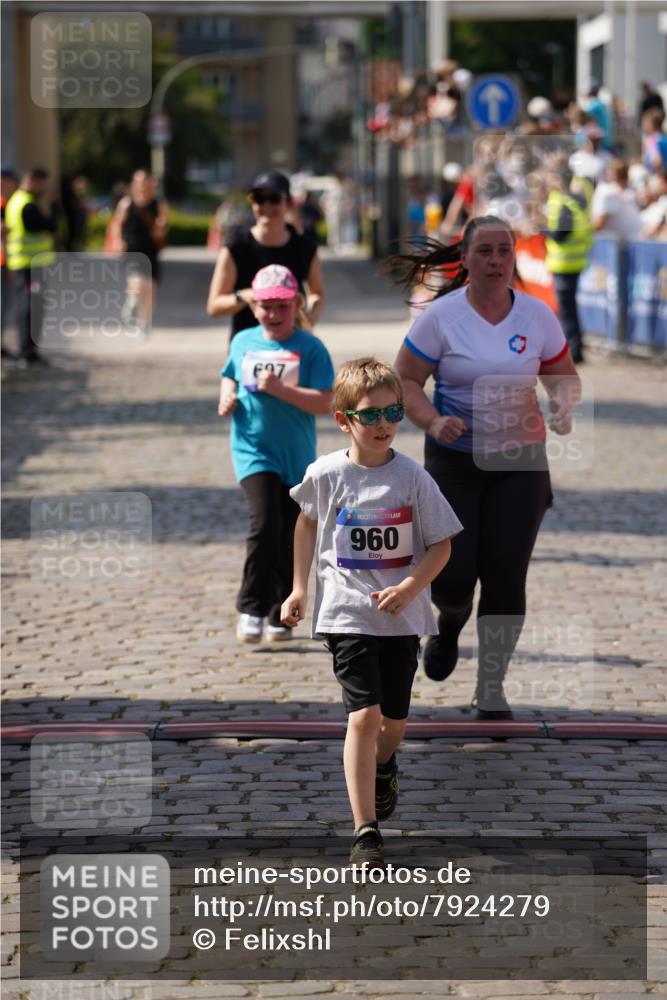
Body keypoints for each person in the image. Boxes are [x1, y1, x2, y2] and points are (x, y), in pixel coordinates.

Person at [391, 216, 581, 720]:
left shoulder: (537, 316)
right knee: (452, 577)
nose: (496, 261)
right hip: (454, 460)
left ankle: (491, 686)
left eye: (504, 251)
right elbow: (405, 380)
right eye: (485, 251)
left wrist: (563, 405)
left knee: (505, 576)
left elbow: (563, 376)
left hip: (521, 462)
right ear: (466, 258)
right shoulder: (441, 317)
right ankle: (450, 620)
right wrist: (432, 421)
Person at [281, 358, 462, 866]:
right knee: (364, 716)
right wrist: (299, 589)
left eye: (393, 412)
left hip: (401, 618)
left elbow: (442, 544)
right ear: (344, 420)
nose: (384, 424)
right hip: (346, 612)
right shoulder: (325, 473)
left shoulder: (413, 478)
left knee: (394, 723)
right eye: (371, 414)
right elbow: (306, 524)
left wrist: (409, 586)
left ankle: (385, 764)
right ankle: (365, 828)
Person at [219, 264, 334, 644]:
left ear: (297, 305)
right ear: (254, 308)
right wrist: (227, 396)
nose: (272, 313)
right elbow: (229, 374)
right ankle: (251, 607)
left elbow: (326, 402)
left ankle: (280, 613)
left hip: (295, 456)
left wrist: (282, 390)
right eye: (265, 306)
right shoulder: (243, 341)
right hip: (252, 449)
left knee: (289, 534)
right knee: (265, 523)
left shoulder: (311, 348)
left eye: (281, 306)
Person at [207, 170, 325, 340]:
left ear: (288, 203)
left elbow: (317, 293)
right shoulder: (236, 246)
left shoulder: (305, 247)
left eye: (274, 199)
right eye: (259, 199)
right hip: (248, 345)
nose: (266, 206)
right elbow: (214, 306)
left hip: (292, 344)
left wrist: (309, 319)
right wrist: (248, 296)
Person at [4, 166, 58, 367]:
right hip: (28, 265)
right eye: (42, 184)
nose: (44, 188)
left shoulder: (18, 200)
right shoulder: (27, 205)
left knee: (28, 308)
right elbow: (47, 225)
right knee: (30, 309)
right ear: (33, 181)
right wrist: (55, 208)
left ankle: (28, 351)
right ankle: (27, 352)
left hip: (25, 264)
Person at [545, 170, 594, 364]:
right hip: (573, 263)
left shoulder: (564, 204)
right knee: (569, 309)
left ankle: (573, 351)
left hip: (564, 264)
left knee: (566, 311)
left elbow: (559, 234)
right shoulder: (576, 202)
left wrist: (544, 229)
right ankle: (575, 349)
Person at [112, 169, 168, 336]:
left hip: (151, 251)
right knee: (137, 283)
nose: (142, 185)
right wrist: (118, 241)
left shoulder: (158, 204)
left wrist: (160, 228)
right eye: (139, 181)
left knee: (149, 289)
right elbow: (117, 224)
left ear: (151, 183)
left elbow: (163, 226)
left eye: (145, 181)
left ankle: (143, 323)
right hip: (132, 250)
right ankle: (131, 302)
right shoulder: (126, 203)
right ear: (133, 184)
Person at [592, 159, 643, 241]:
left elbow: (598, 225)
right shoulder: (610, 191)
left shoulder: (608, 193)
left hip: (632, 243)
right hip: (631, 241)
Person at [1, 166, 18, 358]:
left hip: (5, 261)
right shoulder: (2, 204)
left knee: (5, 306)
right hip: (3, 262)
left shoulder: (7, 203)